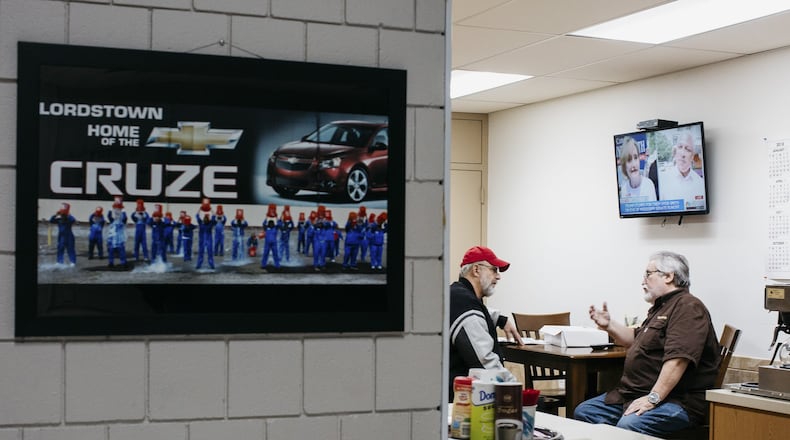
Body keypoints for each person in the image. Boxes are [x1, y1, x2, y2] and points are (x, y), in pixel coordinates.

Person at [573, 251, 721, 437]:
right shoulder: (661, 307)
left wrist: (653, 399)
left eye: (648, 274)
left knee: (629, 425)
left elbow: (678, 360)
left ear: (668, 276)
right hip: (631, 395)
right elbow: (635, 340)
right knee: (585, 412)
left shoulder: (687, 307)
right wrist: (609, 325)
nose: (643, 280)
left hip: (677, 401)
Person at [448, 245, 523, 402]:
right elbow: (485, 362)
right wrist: (515, 392)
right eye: (494, 270)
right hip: (460, 401)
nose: (498, 276)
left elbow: (480, 311)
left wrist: (502, 320)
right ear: (476, 270)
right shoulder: (465, 304)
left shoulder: (457, 294)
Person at [658, 129, 705, 206]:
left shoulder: (700, 184)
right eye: (680, 147)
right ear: (675, 151)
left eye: (688, 149)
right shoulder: (663, 180)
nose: (682, 153)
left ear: (692, 156)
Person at [619, 136, 657, 203]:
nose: (633, 164)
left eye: (636, 157)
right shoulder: (624, 190)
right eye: (629, 160)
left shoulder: (649, 185)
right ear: (624, 165)